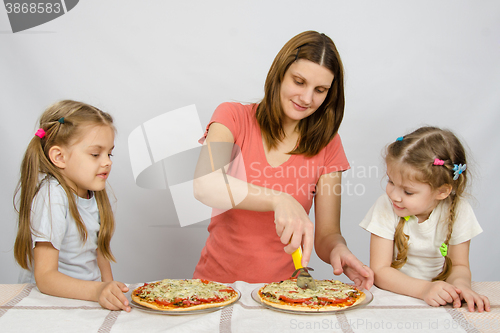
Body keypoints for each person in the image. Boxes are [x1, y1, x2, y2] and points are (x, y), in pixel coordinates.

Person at [193, 30, 373, 288]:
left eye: (320, 90)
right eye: (299, 82)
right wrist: (278, 199)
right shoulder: (232, 117)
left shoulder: (329, 145)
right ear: (279, 73)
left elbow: (327, 235)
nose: (307, 98)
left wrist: (338, 250)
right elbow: (205, 185)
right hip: (216, 288)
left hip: (283, 295)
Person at [14, 100, 131, 312]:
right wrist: (97, 291)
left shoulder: (93, 193)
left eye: (109, 153)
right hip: (55, 304)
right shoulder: (53, 196)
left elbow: (101, 254)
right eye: (96, 154)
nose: (107, 162)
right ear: (59, 157)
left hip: (87, 302)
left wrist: (109, 292)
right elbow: (46, 278)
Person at [360, 126, 490, 312]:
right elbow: (380, 271)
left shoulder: (459, 210)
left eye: (408, 191)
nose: (394, 195)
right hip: (393, 300)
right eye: (391, 182)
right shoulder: (385, 206)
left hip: (439, 303)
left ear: (442, 191)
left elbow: (459, 265)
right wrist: (424, 289)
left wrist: (462, 288)